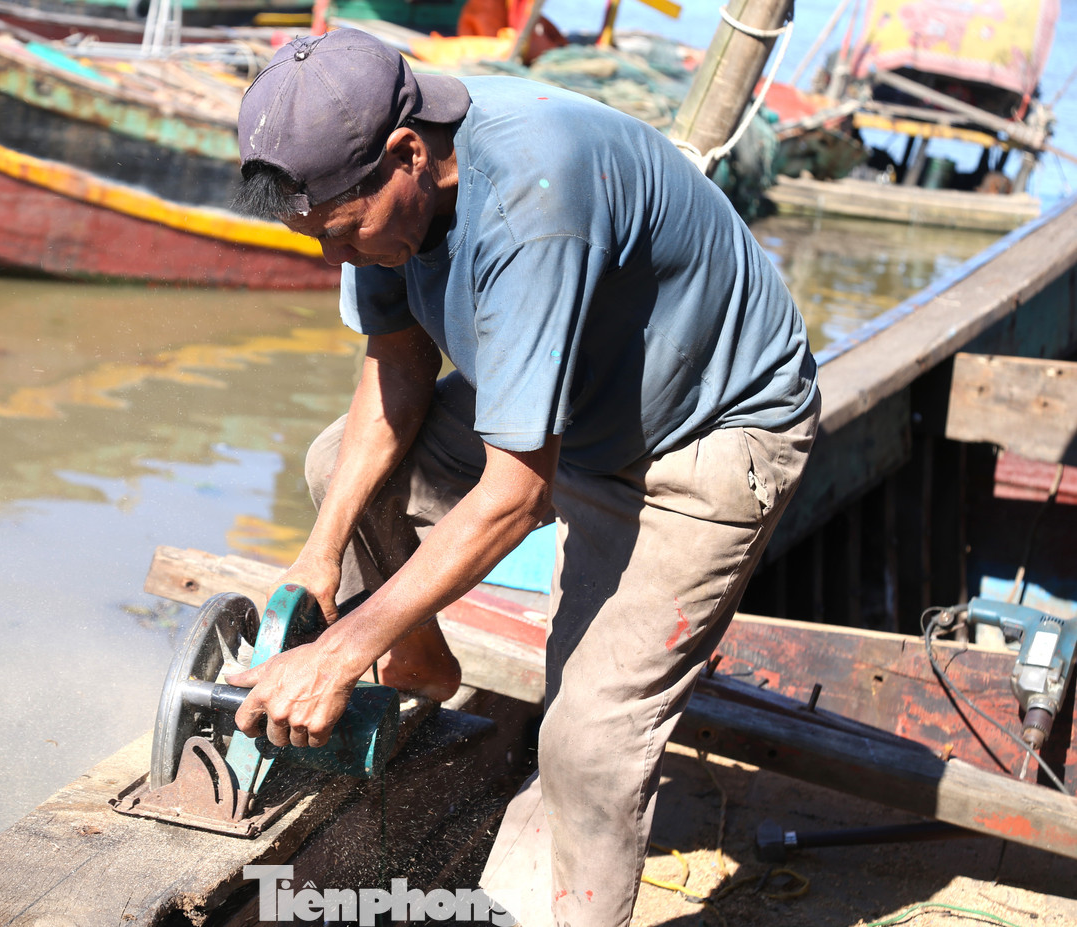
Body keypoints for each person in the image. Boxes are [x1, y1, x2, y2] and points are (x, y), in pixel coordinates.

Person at [224, 27, 819, 927]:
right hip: (576, 400)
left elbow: (516, 494)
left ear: (408, 155)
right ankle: (420, 657)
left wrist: (340, 649)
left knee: (586, 744)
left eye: (342, 235)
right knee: (331, 469)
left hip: (699, 438)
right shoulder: (384, 196)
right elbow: (398, 365)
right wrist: (320, 554)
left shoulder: (533, 201)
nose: (333, 262)